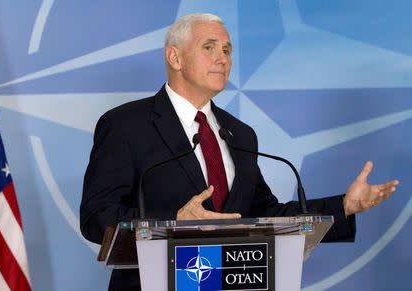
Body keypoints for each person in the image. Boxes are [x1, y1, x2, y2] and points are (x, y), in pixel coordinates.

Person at [80, 13, 399, 291]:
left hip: (233, 284)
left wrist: (343, 206)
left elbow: (264, 215)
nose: (222, 58)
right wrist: (173, 222)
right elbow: (97, 216)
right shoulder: (126, 125)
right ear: (174, 58)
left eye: (227, 50)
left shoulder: (239, 134)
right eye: (209, 48)